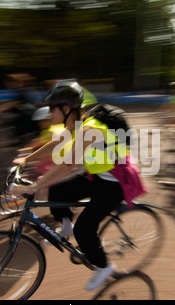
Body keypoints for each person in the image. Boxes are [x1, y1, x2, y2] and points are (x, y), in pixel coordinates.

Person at [9, 80, 147, 291]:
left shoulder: (90, 129)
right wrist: (27, 159)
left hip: (115, 183)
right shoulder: (78, 125)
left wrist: (34, 187)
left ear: (66, 109)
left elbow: (68, 164)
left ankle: (104, 267)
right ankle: (66, 227)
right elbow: (56, 144)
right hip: (98, 175)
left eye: (52, 108)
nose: (49, 113)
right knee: (57, 189)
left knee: (85, 229)